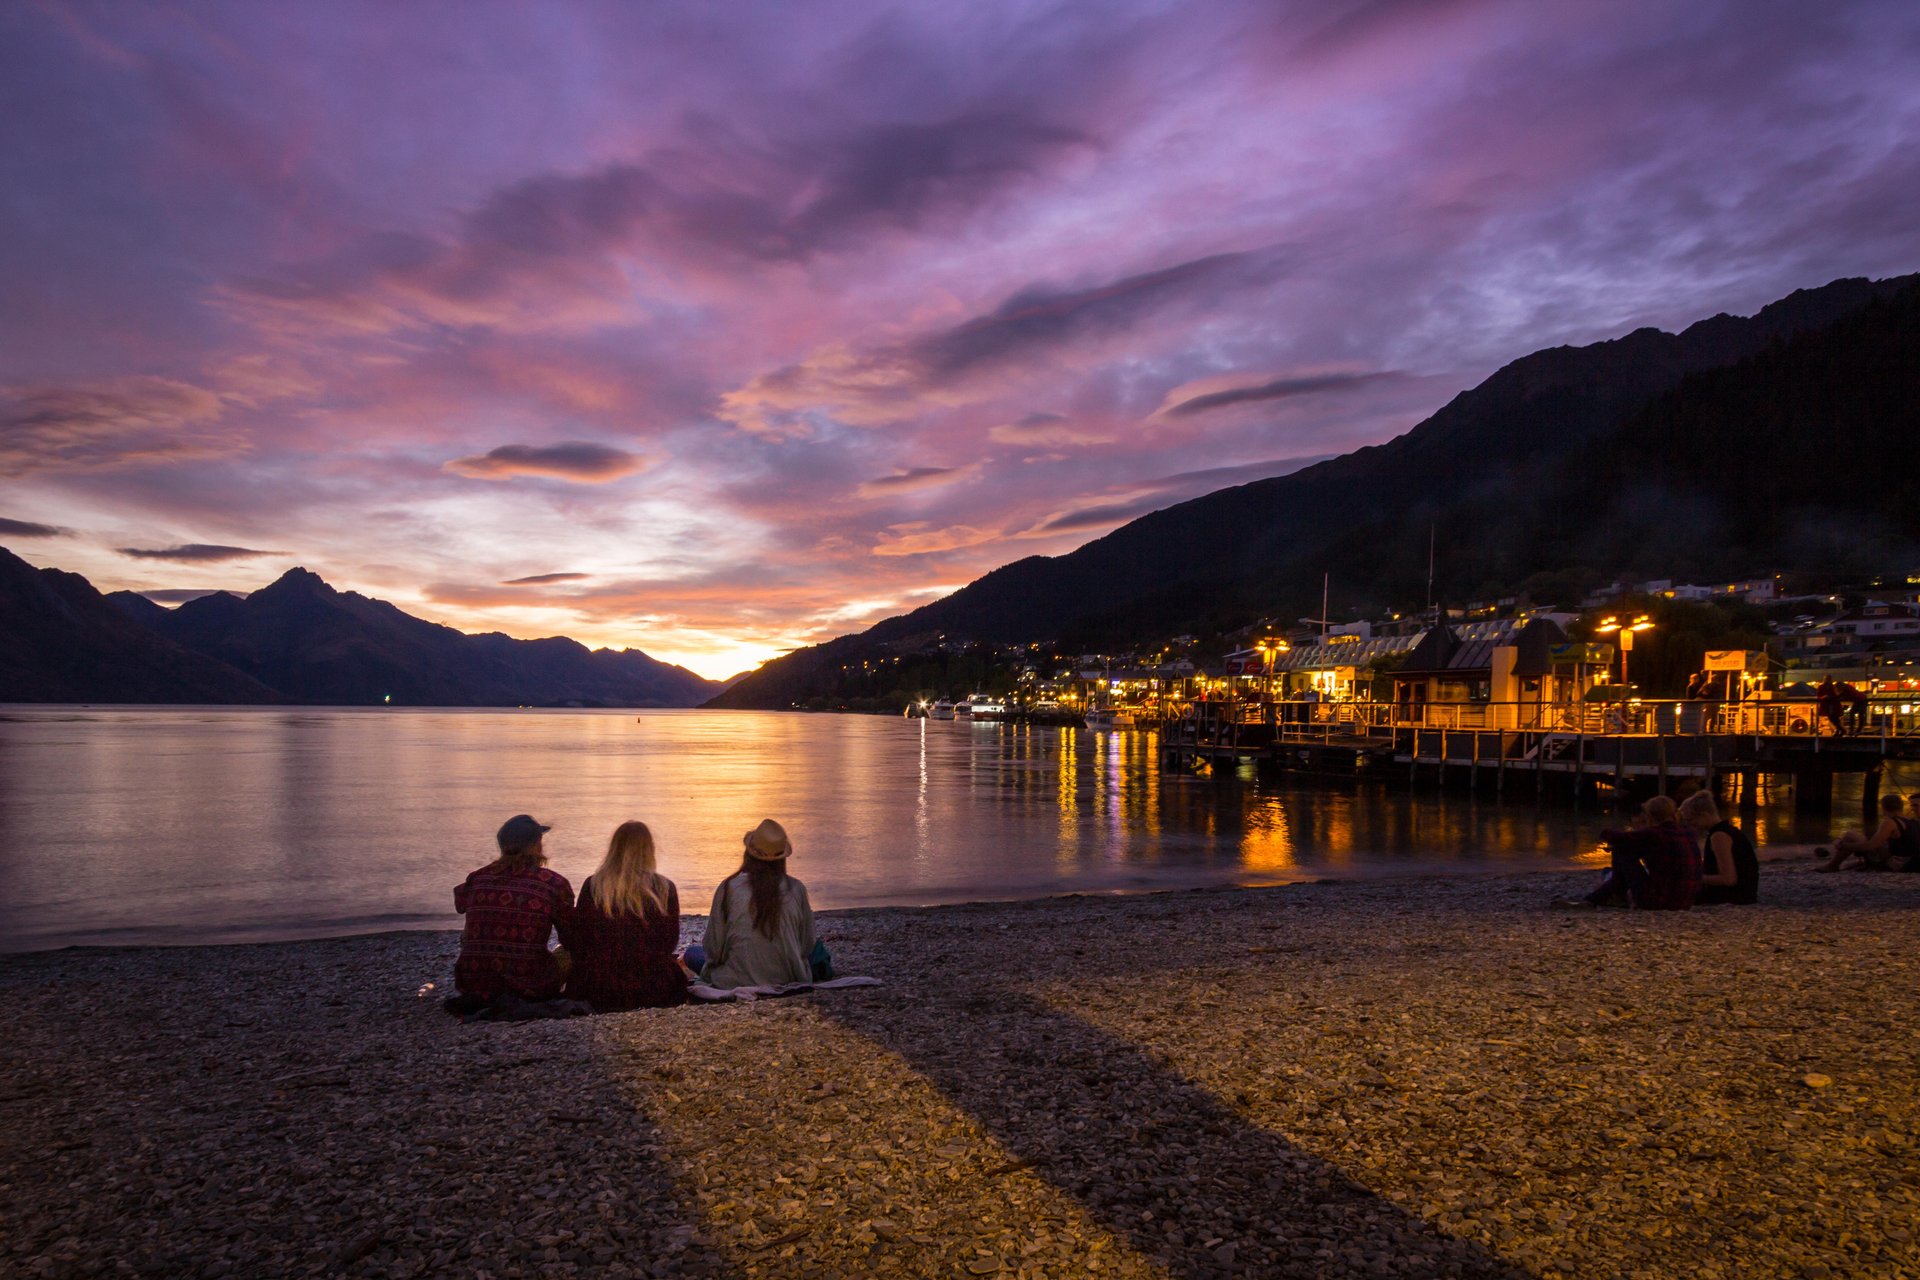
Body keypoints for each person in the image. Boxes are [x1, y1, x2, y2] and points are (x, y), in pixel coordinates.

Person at [684, 819, 830, 988]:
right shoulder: (796, 889)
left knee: (691, 954)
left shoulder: (728, 888)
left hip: (734, 980)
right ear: (782, 858)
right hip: (789, 977)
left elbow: (714, 949)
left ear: (749, 854)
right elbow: (806, 945)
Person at [565, 821, 688, 1012]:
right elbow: (669, 942)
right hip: (652, 987)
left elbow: (581, 938)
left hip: (600, 988)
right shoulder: (664, 888)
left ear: (614, 849)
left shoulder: (594, 885)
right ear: (649, 850)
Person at [452, 814, 575, 1003]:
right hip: (530, 986)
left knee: (468, 931)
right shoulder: (553, 883)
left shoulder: (477, 878)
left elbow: (460, 904)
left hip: (473, 984)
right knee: (567, 952)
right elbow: (570, 937)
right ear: (536, 845)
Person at [1554, 795, 1701, 910]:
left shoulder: (1654, 833)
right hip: (1686, 901)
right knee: (1626, 848)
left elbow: (1612, 836)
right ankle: (1611, 894)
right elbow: (1658, 851)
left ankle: (1602, 898)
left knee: (1622, 849)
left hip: (1660, 902)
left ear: (1650, 817)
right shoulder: (1688, 832)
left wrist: (1606, 835)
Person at [1678, 792, 1759, 905]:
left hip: (1734, 896)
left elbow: (1729, 879)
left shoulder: (1719, 836)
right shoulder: (1729, 831)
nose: (1690, 825)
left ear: (1704, 815)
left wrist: (1694, 878)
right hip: (1743, 893)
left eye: (1691, 820)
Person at [1817, 792, 1915, 871]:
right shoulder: (1912, 821)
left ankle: (1832, 866)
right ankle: (1837, 863)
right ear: (1901, 806)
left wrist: (1843, 845)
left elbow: (1870, 846)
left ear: (1883, 807)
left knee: (1850, 836)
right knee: (1853, 835)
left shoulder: (1890, 822)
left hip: (1897, 864)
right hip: (1908, 861)